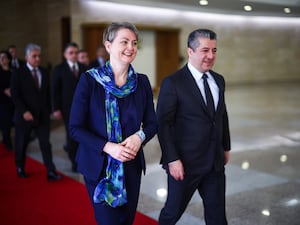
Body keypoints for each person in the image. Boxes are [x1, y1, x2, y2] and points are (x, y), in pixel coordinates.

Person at [69, 22, 157, 225]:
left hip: (131, 165)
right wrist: (108, 147)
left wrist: (139, 136)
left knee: (126, 221)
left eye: (134, 43)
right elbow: (75, 127)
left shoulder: (142, 82)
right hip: (99, 167)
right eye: (124, 41)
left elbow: (152, 123)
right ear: (108, 46)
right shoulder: (90, 81)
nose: (131, 47)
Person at [156, 29, 231, 225]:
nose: (211, 56)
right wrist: (172, 159)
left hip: (214, 161)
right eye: (205, 50)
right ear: (190, 51)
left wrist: (226, 146)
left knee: (217, 216)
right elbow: (164, 124)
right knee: (172, 212)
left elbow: (222, 115)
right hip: (185, 164)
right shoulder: (173, 82)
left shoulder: (219, 80)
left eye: (214, 50)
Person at [10, 43, 62, 181]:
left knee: (45, 144)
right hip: (24, 116)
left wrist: (52, 110)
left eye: (39, 56)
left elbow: (48, 93)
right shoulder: (18, 73)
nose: (37, 59)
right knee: (22, 143)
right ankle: (20, 167)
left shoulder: (44, 72)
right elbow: (15, 95)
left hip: (42, 116)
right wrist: (24, 111)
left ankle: (51, 171)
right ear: (27, 57)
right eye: (34, 56)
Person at [51, 42, 88, 172]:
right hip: (68, 109)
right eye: (71, 53)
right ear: (65, 54)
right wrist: (56, 108)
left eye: (76, 53)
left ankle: (83, 159)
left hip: (84, 108)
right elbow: (54, 90)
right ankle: (74, 163)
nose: (74, 55)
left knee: (84, 136)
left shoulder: (83, 67)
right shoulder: (59, 69)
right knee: (72, 136)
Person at [0, 50, 14, 151]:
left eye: (4, 57)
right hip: (2, 101)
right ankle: (7, 141)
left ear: (8, 59)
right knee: (6, 123)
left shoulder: (13, 71)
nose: (1, 59)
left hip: (13, 100)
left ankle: (7, 139)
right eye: (0, 58)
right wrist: (4, 91)